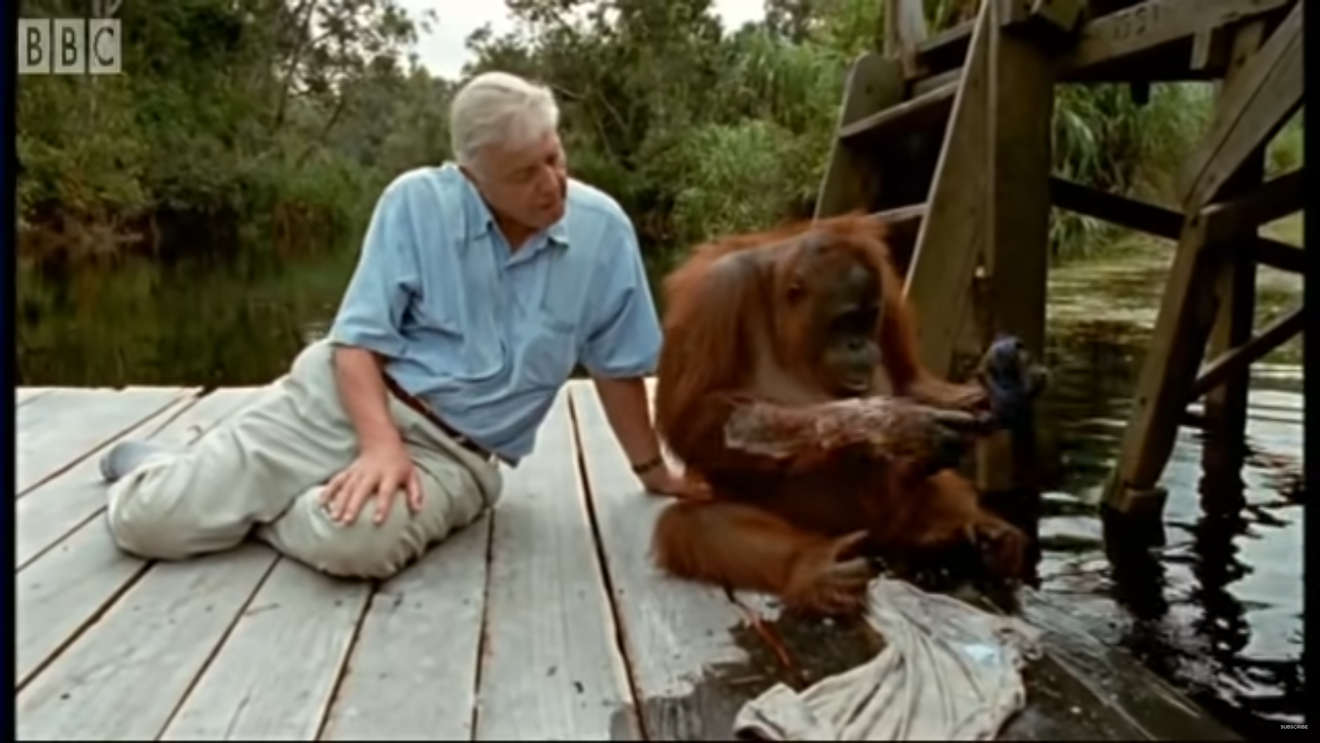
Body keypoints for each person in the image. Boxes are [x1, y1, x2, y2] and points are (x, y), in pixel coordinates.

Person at [99, 71, 703, 580]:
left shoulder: (604, 233)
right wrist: (380, 443)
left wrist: (654, 472)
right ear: (473, 177)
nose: (551, 185)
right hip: (343, 402)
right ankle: (157, 468)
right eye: (524, 174)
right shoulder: (416, 203)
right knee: (148, 524)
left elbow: (616, 365)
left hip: (455, 455)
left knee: (358, 544)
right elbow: (356, 343)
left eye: (554, 158)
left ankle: (249, 497)